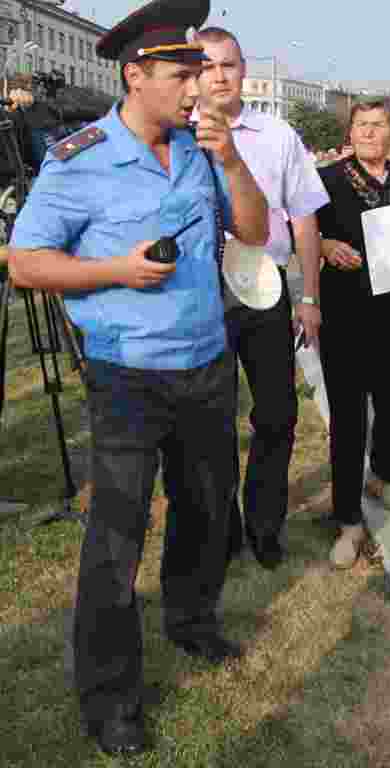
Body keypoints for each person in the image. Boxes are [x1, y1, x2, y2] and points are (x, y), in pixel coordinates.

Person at [7, 0, 269, 755]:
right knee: (117, 538)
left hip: (207, 365)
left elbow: (252, 231)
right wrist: (114, 270)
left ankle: (191, 623)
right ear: (136, 75)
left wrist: (230, 160)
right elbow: (26, 263)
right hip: (126, 374)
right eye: (182, 74)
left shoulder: (200, 149)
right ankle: (111, 698)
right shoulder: (78, 159)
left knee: (205, 509)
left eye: (200, 71)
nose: (199, 86)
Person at [194, 26, 328, 570]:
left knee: (276, 415)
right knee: (212, 419)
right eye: (207, 66)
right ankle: (221, 528)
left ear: (243, 70)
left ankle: (265, 525)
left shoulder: (278, 135)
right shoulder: (180, 136)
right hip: (202, 294)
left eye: (228, 65)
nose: (219, 76)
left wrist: (311, 296)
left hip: (267, 290)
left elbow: (304, 218)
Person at [316, 96, 390, 568]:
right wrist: (324, 243)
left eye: (378, 125)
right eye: (360, 125)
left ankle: (380, 473)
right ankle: (348, 519)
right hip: (345, 312)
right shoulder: (329, 179)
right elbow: (301, 232)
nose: (368, 133)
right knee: (349, 417)